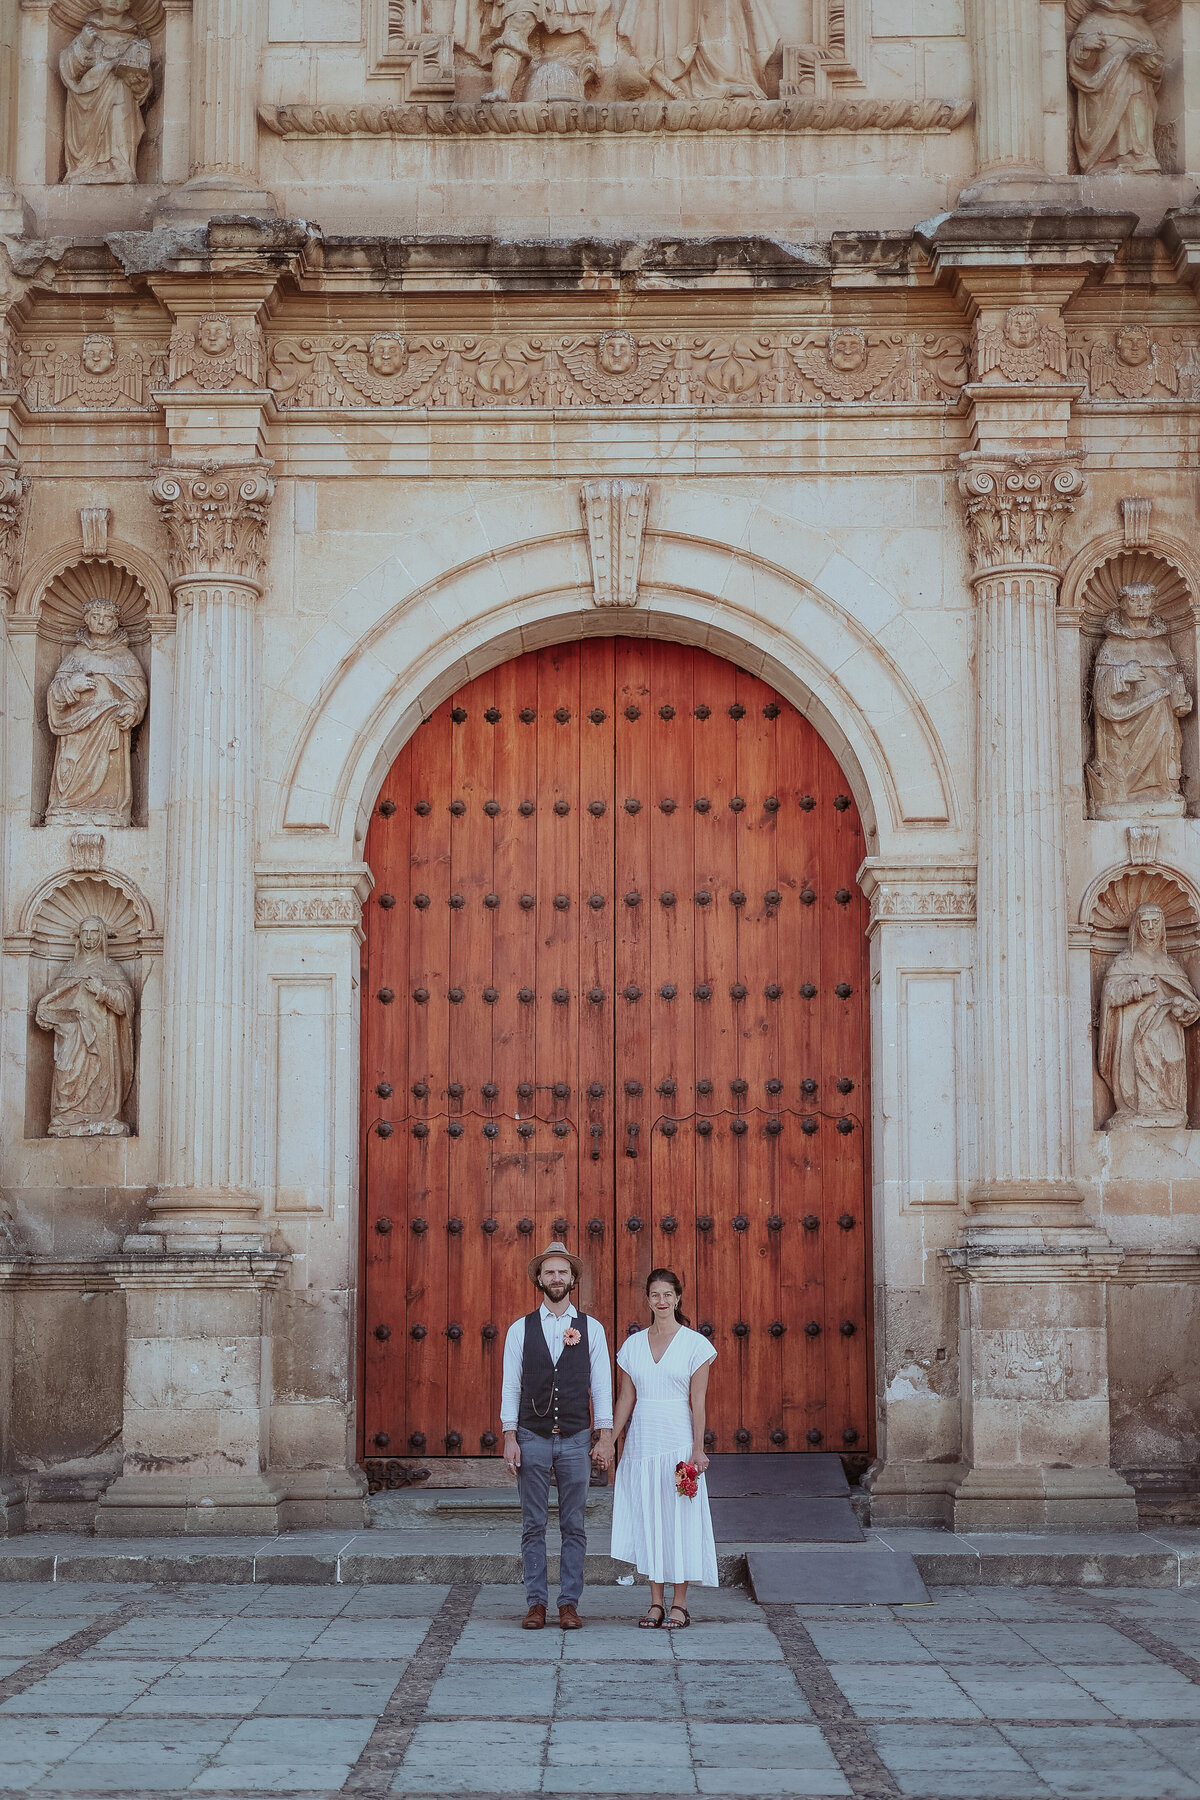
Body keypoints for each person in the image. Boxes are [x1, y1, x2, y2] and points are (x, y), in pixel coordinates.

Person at [501, 1241, 613, 1630]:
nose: (556, 1278)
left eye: (563, 1272)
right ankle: (536, 1604)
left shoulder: (591, 1329)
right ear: (539, 1278)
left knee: (574, 1524)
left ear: (573, 1279)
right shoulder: (520, 1329)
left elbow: (601, 1386)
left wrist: (605, 1436)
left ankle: (569, 1603)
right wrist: (509, 1436)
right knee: (533, 1524)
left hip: (577, 1438)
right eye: (549, 1271)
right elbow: (510, 1387)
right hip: (531, 1437)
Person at [609, 1267, 717, 1629]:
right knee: (648, 1516)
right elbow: (626, 1398)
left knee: (678, 1518)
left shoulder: (695, 1344)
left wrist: (697, 1450)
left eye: (668, 1294)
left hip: (677, 1439)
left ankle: (680, 1603)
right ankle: (655, 1602)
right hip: (642, 1440)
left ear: (678, 1298)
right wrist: (609, 1439)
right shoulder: (633, 1345)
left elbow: (698, 1402)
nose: (661, 1301)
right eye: (655, 1295)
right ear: (648, 1300)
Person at [1098, 902, 1200, 1128]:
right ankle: (1136, 1109)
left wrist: (1187, 1010)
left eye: (1156, 923)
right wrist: (1137, 989)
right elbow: (1110, 996)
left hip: (1167, 1034)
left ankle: (1169, 1107)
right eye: (1145, 923)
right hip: (1133, 1033)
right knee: (1140, 1067)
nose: (1151, 928)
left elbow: (1189, 1002)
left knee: (1171, 1064)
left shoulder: (1170, 964)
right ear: (1136, 927)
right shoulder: (1125, 962)